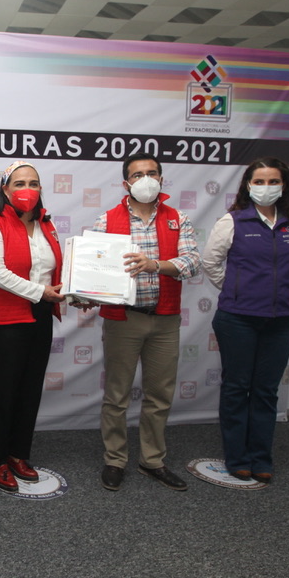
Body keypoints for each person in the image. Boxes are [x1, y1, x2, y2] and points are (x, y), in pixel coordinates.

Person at [87, 155, 200, 492]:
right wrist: (85, 291)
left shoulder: (178, 219)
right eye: (137, 175)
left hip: (165, 321)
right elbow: (92, 268)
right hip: (124, 320)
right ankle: (115, 459)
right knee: (116, 395)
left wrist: (155, 265)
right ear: (126, 183)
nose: (145, 179)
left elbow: (192, 262)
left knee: (159, 395)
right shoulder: (106, 220)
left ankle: (152, 460)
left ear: (162, 179)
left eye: (152, 173)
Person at [202, 158, 289, 484]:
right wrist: (239, 290)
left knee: (265, 391)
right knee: (237, 388)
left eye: (273, 181)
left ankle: (261, 457)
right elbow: (211, 263)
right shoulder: (232, 221)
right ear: (248, 186)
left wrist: (275, 292)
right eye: (259, 181)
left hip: (281, 320)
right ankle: (238, 457)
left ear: (284, 185)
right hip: (238, 319)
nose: (266, 187)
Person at [0, 161, 65, 492]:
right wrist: (40, 291)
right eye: (19, 183)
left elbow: (55, 272)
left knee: (30, 389)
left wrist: (74, 293)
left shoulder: (48, 225)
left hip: (41, 315)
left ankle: (18, 454)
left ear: (40, 189)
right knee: (7, 391)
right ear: (5, 190)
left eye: (33, 183)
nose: (27, 189)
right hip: (7, 319)